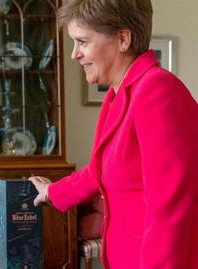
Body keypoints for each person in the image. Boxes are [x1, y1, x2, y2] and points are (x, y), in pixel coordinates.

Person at [29, 1, 198, 268]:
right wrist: (53, 192)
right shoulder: (117, 96)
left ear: (122, 39)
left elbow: (171, 207)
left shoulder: (159, 91)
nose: (75, 54)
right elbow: (100, 170)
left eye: (82, 41)